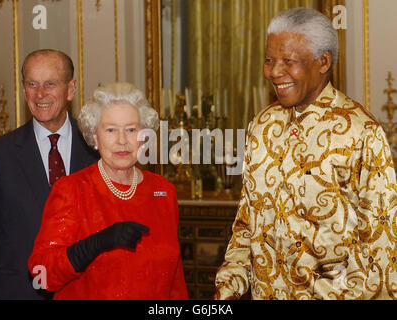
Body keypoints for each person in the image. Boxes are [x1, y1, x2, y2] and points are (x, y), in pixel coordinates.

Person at [215, 8, 397, 300]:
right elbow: (246, 225)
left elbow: (384, 248)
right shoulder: (261, 126)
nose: (274, 72)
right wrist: (227, 290)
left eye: (288, 61)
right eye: (269, 60)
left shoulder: (361, 132)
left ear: (323, 61)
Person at [28, 82, 189, 300]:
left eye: (131, 130)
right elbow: (41, 276)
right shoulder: (71, 190)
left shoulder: (163, 191)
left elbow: (175, 282)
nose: (122, 140)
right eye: (111, 130)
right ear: (95, 137)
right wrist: (94, 245)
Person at [0, 49, 99, 300]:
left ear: (71, 89)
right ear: (24, 90)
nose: (40, 94)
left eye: (50, 84)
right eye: (32, 84)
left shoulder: (99, 150)